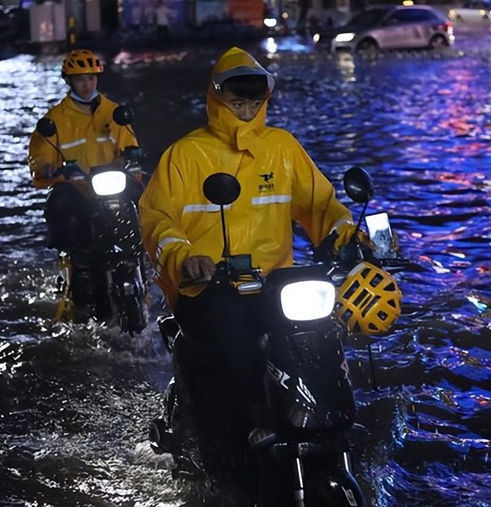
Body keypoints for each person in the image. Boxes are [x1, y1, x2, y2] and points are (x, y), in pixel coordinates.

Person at [139, 47, 363, 473]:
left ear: (265, 100)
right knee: (235, 340)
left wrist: (350, 239)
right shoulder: (185, 154)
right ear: (217, 97)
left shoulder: (282, 148)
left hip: (276, 286)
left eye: (253, 102)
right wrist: (186, 257)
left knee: (322, 337)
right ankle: (244, 431)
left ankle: (322, 422)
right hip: (209, 287)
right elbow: (156, 218)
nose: (245, 110)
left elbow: (321, 205)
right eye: (236, 101)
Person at [28, 49, 139, 313]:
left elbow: (131, 146)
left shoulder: (115, 113)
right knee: (60, 204)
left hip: (111, 184)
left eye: (91, 78)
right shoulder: (54, 120)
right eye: (80, 79)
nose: (87, 84)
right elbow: (40, 159)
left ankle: (144, 258)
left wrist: (135, 155)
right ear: (69, 81)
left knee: (144, 198)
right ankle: (71, 260)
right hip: (78, 188)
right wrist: (50, 166)